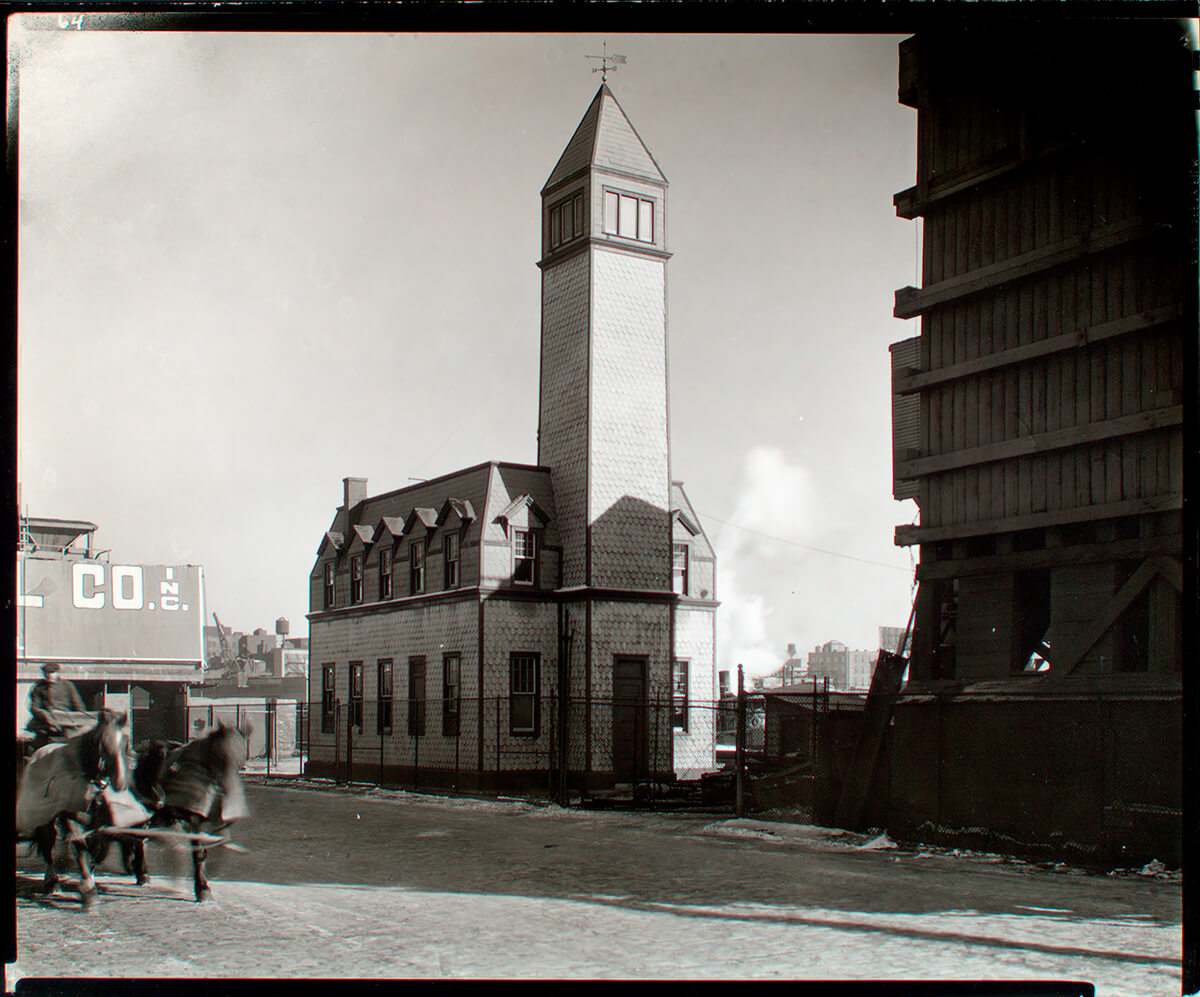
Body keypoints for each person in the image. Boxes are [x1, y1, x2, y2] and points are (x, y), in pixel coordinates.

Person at [27, 662, 88, 750]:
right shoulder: (39, 687)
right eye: (46, 673)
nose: (48, 675)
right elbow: (35, 707)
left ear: (57, 673)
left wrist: (79, 720)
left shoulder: (68, 685)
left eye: (51, 673)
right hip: (45, 723)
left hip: (65, 721)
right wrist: (45, 715)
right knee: (37, 746)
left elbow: (78, 705)